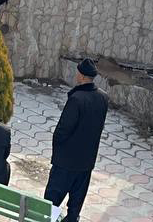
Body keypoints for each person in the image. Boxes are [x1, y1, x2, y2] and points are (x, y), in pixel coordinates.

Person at [44, 58, 109, 222]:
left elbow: (63, 130)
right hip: (87, 161)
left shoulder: (77, 99)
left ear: (81, 76)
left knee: (51, 202)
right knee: (76, 203)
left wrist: (58, 149)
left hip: (66, 161)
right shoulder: (103, 98)